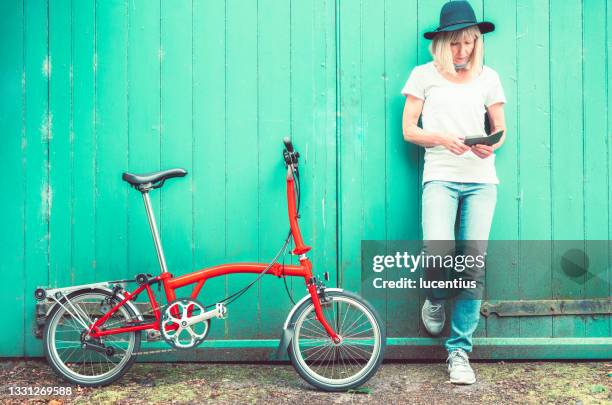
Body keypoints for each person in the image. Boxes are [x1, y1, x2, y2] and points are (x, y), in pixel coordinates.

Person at [401, 0, 506, 385]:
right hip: (440, 176)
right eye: (455, 44)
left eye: (468, 44)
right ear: (442, 42)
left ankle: (459, 351)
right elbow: (409, 129)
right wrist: (442, 138)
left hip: (481, 180)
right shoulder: (423, 76)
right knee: (438, 249)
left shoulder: (488, 78)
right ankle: (434, 297)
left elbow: (501, 129)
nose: (462, 52)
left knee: (473, 264)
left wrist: (490, 144)